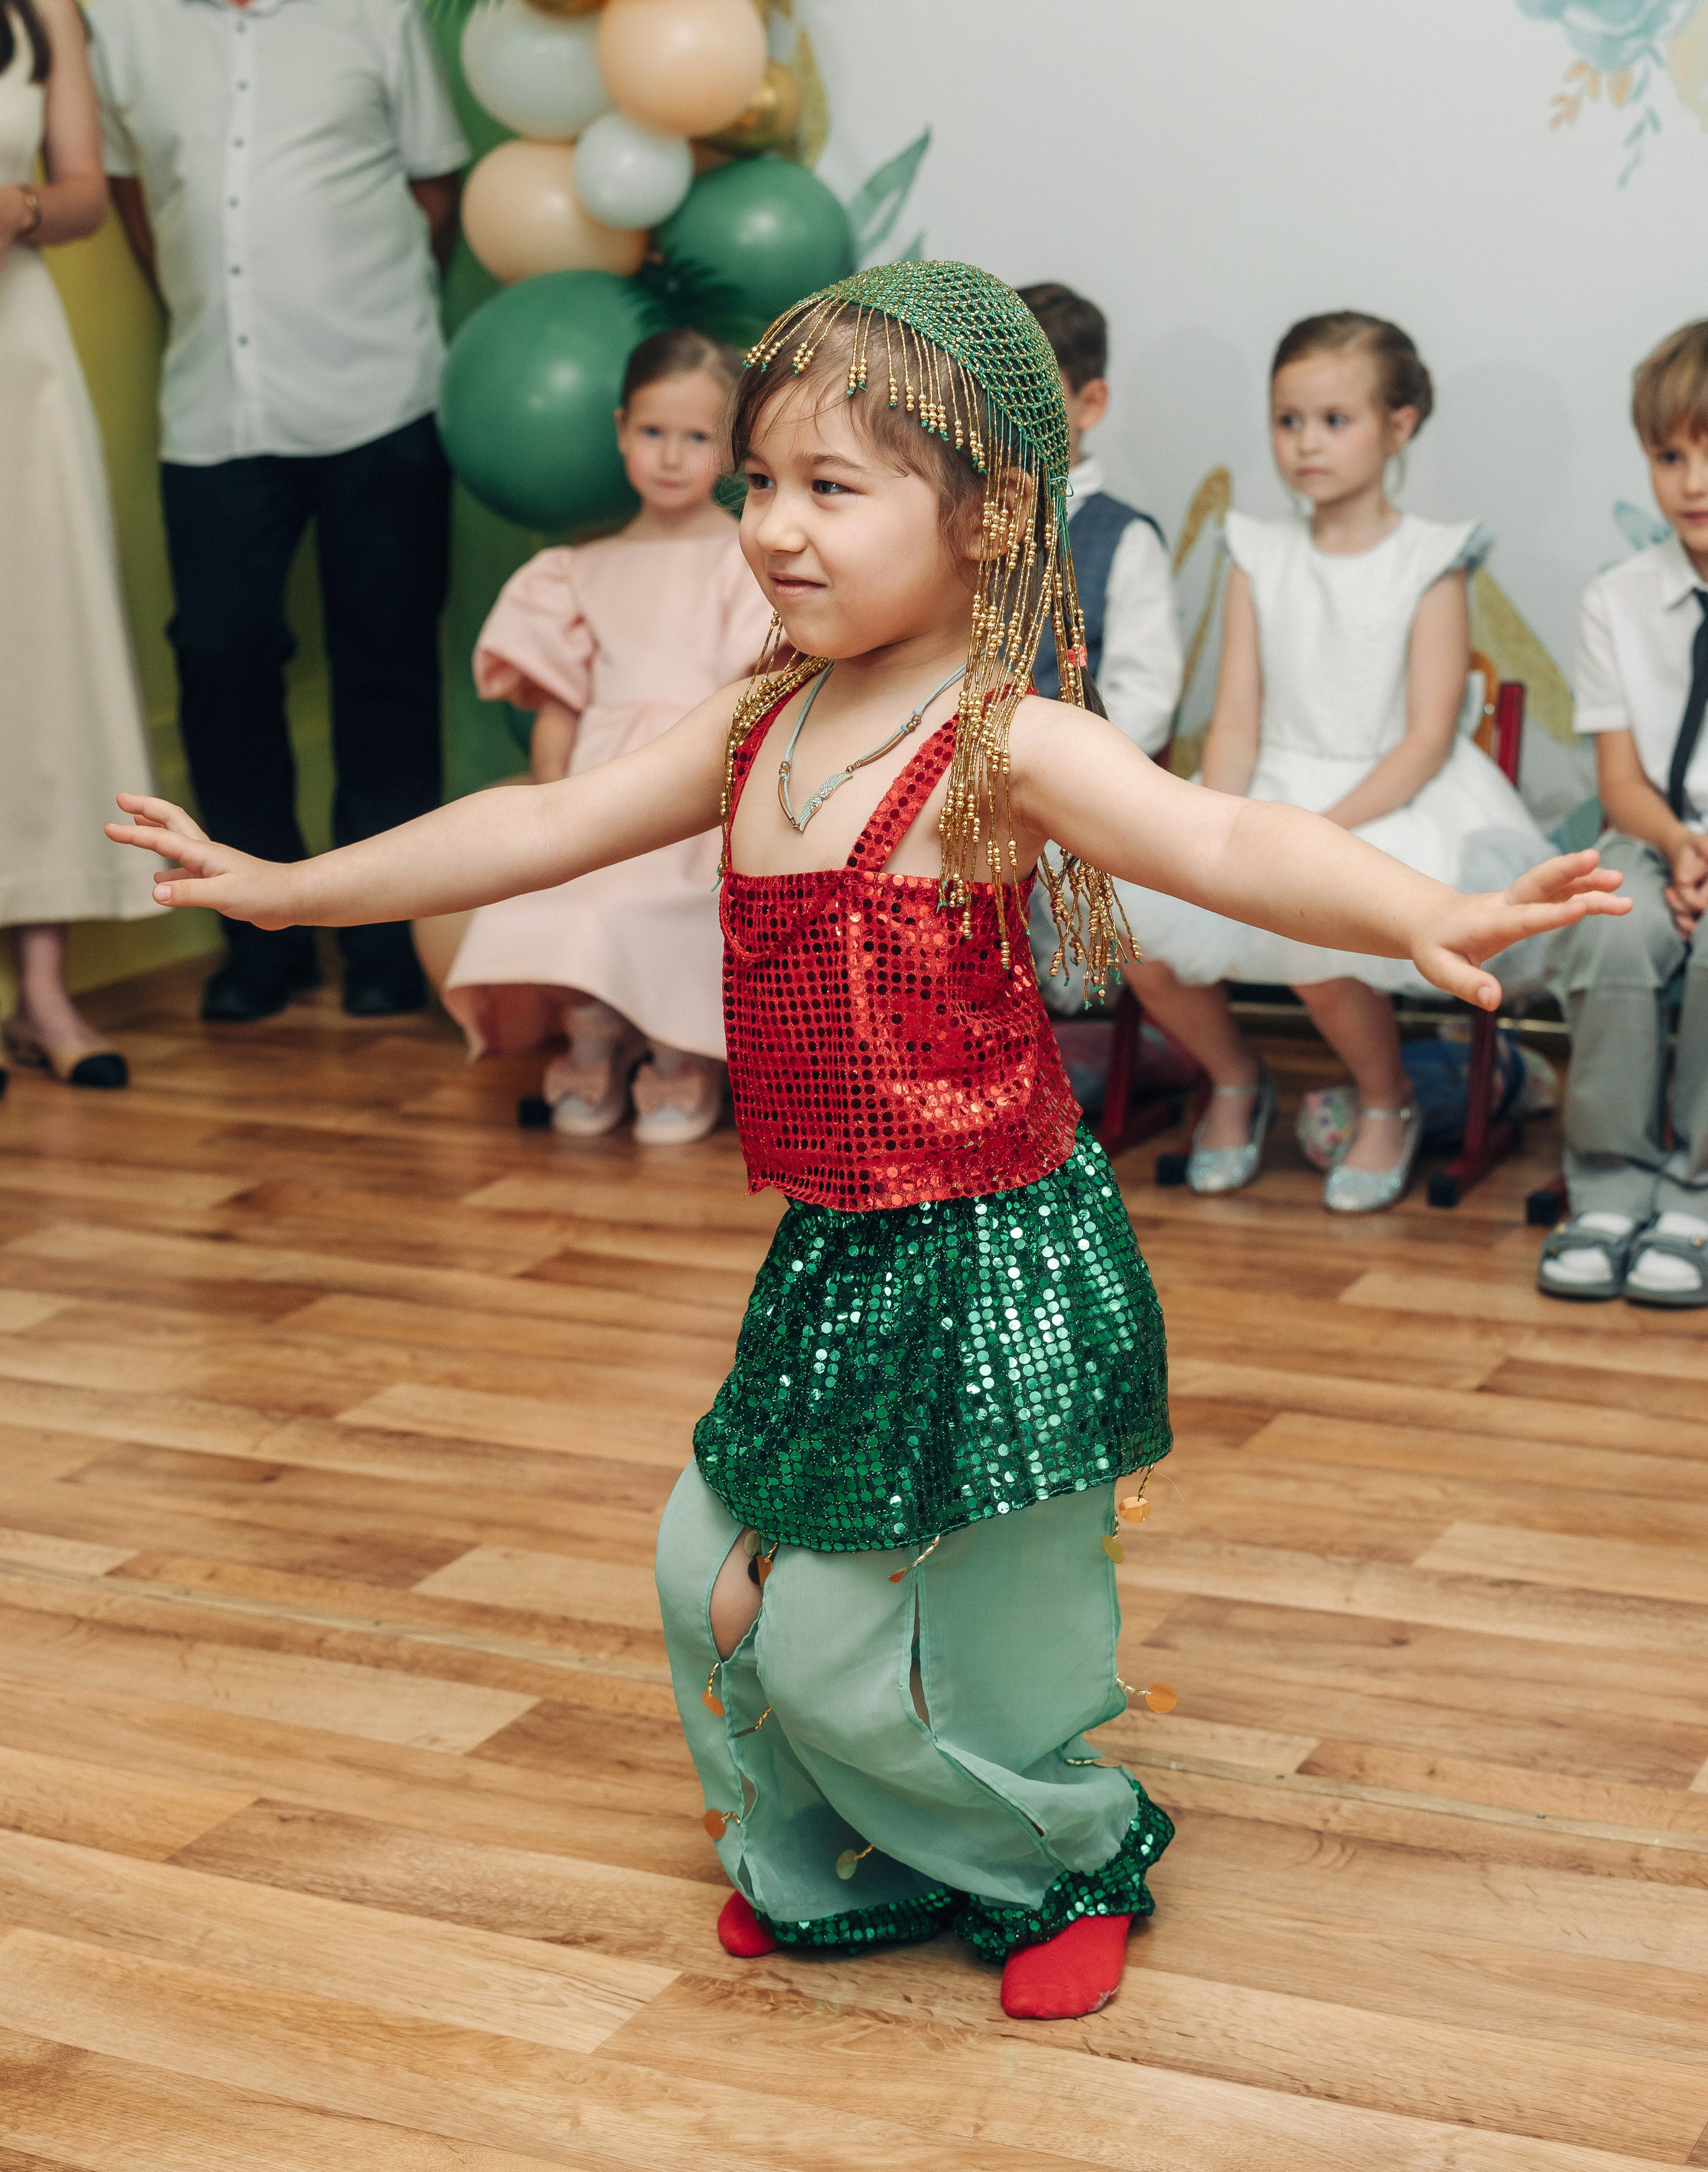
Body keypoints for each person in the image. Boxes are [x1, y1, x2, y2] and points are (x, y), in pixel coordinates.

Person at [106, 259, 1625, 2022]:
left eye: (833, 488)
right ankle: (838, 1854)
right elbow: (542, 825)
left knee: (860, 1643)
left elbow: (1221, 840)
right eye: (760, 483)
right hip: (840, 1238)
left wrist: (1419, 906)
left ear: (985, 521)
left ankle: (1060, 1854)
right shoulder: (755, 723)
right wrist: (299, 890)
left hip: (995, 1250)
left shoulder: (1006, 739)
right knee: (707, 1578)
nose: (774, 528)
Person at [88, 0, 469, 1024]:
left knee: (384, 674)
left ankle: (379, 949)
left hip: (378, 404)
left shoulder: (373, 14)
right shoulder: (124, 23)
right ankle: (253, 941)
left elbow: (435, 195)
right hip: (215, 409)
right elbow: (145, 204)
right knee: (223, 664)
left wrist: (346, 307)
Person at [1116, 310, 1558, 1212]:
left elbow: (1428, 735)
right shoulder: (1257, 551)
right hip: (1272, 779)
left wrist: (1318, 835)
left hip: (1391, 794)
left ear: (1398, 427)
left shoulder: (1430, 559)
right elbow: (1235, 715)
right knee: (1135, 923)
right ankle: (1236, 1077)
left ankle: (1388, 1100)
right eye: (1288, 421)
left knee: (1310, 920)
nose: (1306, 445)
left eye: (1334, 421)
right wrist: (1220, 825)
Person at [428, 329, 772, 1141]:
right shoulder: (577, 570)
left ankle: (677, 1054)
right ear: (621, 429)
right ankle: (593, 1039)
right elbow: (560, 704)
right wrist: (557, 797)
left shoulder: (743, 558)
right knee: (563, 897)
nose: (670, 457)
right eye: (652, 433)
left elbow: (752, 695)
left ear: (728, 446)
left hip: (692, 784)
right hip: (600, 785)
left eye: (695, 437)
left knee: (659, 903)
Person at [0, 0, 154, 1089]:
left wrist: (16, 210)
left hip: (18, 361)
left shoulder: (38, 2)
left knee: (34, 651)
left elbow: (88, 195)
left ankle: (45, 994)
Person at [1539, 320, 1708, 1306]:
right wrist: (1682, 845)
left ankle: (1695, 1195)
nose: (1692, 480)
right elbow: (1622, 784)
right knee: (1615, 924)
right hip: (1657, 830)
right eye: (1670, 454)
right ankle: (1608, 1184)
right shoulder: (1619, 599)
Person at [1017, 282, 1182, 753]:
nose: (1001, 415)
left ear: (1088, 404)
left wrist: (1058, 771)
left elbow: (1144, 702)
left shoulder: (1124, 539)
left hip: (1061, 791)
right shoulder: (953, 518)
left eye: (1026, 394)